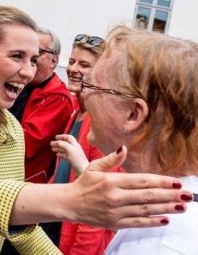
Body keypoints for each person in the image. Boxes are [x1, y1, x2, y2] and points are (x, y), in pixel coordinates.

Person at [0, 6, 194, 255]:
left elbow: (20, 229)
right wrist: (70, 200)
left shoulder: (11, 128)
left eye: (32, 60)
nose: (27, 72)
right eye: (16, 57)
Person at [51, 25, 198, 254]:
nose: (84, 94)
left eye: (91, 85)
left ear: (133, 115)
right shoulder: (192, 192)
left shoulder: (158, 245)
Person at [50, 34, 123, 254]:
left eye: (84, 65)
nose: (73, 69)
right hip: (56, 226)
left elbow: (98, 207)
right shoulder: (78, 113)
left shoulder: (101, 123)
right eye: (72, 61)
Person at [8, 27, 73, 183]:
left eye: (39, 52)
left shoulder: (58, 98)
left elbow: (27, 144)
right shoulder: (20, 83)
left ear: (54, 61)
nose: (32, 57)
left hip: (24, 182)